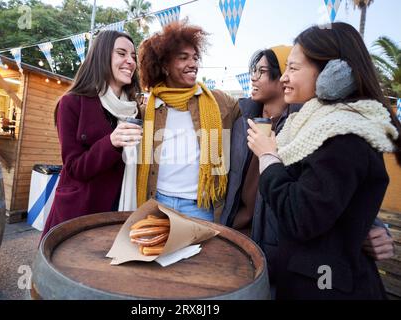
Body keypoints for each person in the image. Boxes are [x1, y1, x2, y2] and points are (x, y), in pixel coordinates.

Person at [221, 46, 395, 293]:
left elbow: (330, 184)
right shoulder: (239, 117)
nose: (253, 77)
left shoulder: (307, 128)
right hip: (235, 238)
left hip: (277, 251)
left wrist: (374, 226)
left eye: (262, 71)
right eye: (253, 71)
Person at [136, 20, 240, 222]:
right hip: (157, 202)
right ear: (165, 65)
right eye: (183, 58)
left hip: (199, 206)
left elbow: (252, 111)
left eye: (194, 58)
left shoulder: (219, 101)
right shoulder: (147, 109)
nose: (192, 64)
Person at [42, 30, 142, 237]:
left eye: (133, 56)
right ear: (102, 56)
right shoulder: (72, 102)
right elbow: (74, 167)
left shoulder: (134, 109)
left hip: (121, 208)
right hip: (81, 211)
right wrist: (111, 142)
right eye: (121, 53)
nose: (130, 61)